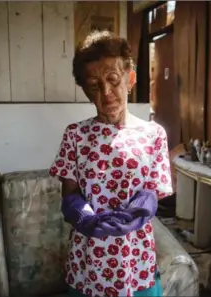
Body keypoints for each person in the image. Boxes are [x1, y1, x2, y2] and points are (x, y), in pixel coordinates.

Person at [49, 30, 173, 297]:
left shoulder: (154, 135)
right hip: (88, 261)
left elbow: (152, 192)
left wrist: (140, 210)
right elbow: (69, 194)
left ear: (130, 79)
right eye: (94, 85)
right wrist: (83, 215)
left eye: (113, 80)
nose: (106, 93)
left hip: (136, 262)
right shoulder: (75, 135)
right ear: (84, 90)